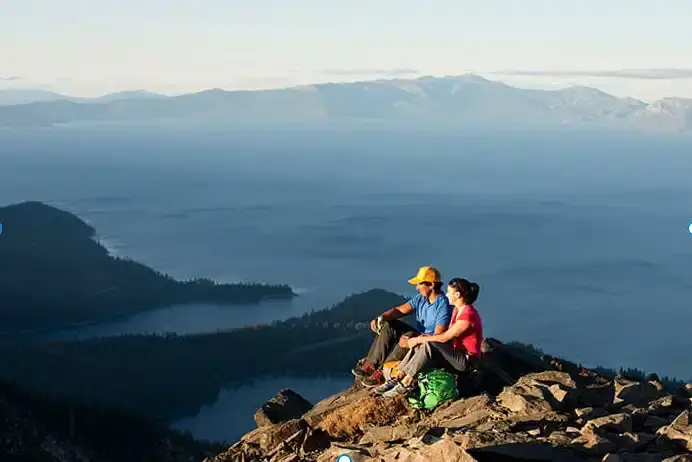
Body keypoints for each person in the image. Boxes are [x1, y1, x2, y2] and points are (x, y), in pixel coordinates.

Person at [375, 277, 483, 398]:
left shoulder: (468, 316)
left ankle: (407, 383)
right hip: (454, 355)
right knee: (424, 342)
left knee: (428, 344)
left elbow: (444, 338)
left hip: (467, 362)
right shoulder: (457, 310)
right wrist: (422, 338)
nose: (446, 294)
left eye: (449, 292)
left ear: (457, 295)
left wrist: (418, 339)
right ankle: (398, 376)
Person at [352, 266, 452, 387]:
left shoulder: (442, 305)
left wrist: (412, 340)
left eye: (420, 284)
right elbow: (400, 310)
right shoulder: (421, 299)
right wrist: (382, 317)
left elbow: (438, 336)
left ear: (431, 285)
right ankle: (371, 365)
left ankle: (382, 374)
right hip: (418, 336)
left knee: (408, 335)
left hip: (429, 344)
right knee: (390, 325)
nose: (417, 287)